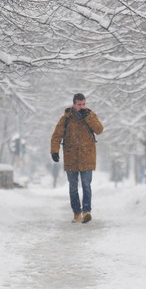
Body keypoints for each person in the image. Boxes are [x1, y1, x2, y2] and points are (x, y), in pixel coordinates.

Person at [50, 93, 104, 223]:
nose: (82, 107)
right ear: (74, 104)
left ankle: (86, 211)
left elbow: (99, 130)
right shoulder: (66, 119)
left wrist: (89, 118)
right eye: (79, 104)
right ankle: (76, 212)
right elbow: (57, 135)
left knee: (86, 185)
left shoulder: (90, 116)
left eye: (83, 104)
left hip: (87, 156)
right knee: (73, 187)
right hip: (71, 157)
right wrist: (54, 151)